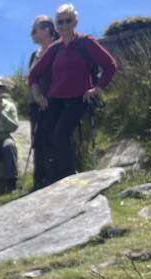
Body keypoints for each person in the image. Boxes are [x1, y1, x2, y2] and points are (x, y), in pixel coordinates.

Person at [30, 3, 117, 190]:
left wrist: (97, 89)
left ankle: (68, 180)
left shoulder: (86, 42)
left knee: (60, 134)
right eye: (60, 22)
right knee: (46, 136)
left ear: (75, 22)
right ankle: (50, 181)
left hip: (79, 98)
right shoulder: (55, 48)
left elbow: (110, 65)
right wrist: (37, 95)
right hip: (55, 99)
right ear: (56, 25)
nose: (64, 25)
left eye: (68, 21)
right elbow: (34, 75)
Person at [27, 15, 59, 189]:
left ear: (47, 30)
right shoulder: (34, 55)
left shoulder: (58, 49)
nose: (31, 34)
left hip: (53, 101)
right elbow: (31, 79)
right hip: (35, 102)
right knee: (37, 140)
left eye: (34, 30)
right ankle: (39, 180)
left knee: (50, 139)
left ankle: (52, 179)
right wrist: (36, 97)